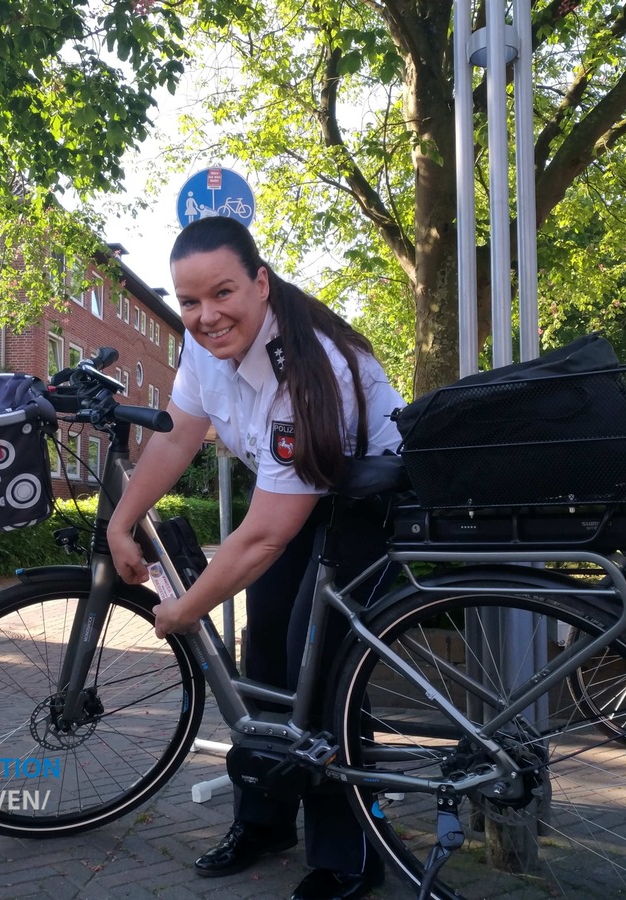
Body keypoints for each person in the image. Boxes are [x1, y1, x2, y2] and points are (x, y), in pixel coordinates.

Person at [106, 217, 405, 900]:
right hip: (299, 500)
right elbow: (179, 438)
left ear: (261, 283)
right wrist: (123, 523)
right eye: (188, 301)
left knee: (320, 667)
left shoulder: (308, 365)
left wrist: (184, 608)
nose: (205, 316)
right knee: (265, 650)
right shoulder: (202, 346)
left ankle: (351, 856)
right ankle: (265, 819)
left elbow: (266, 533)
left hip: (368, 506)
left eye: (223, 293)